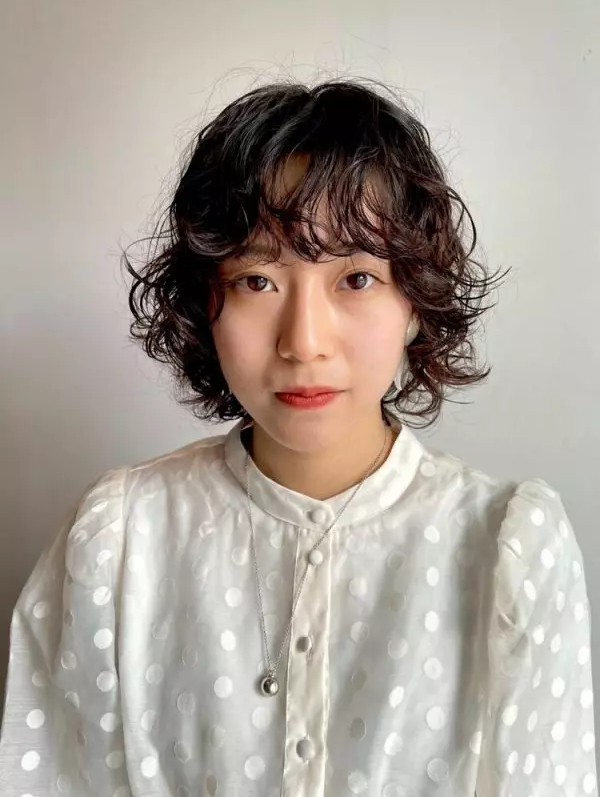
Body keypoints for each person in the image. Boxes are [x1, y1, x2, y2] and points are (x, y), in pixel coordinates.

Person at [0, 78, 596, 797]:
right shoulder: (118, 542)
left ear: (415, 301)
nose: (304, 341)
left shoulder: (506, 552)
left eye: (357, 278)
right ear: (206, 299)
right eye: (257, 281)